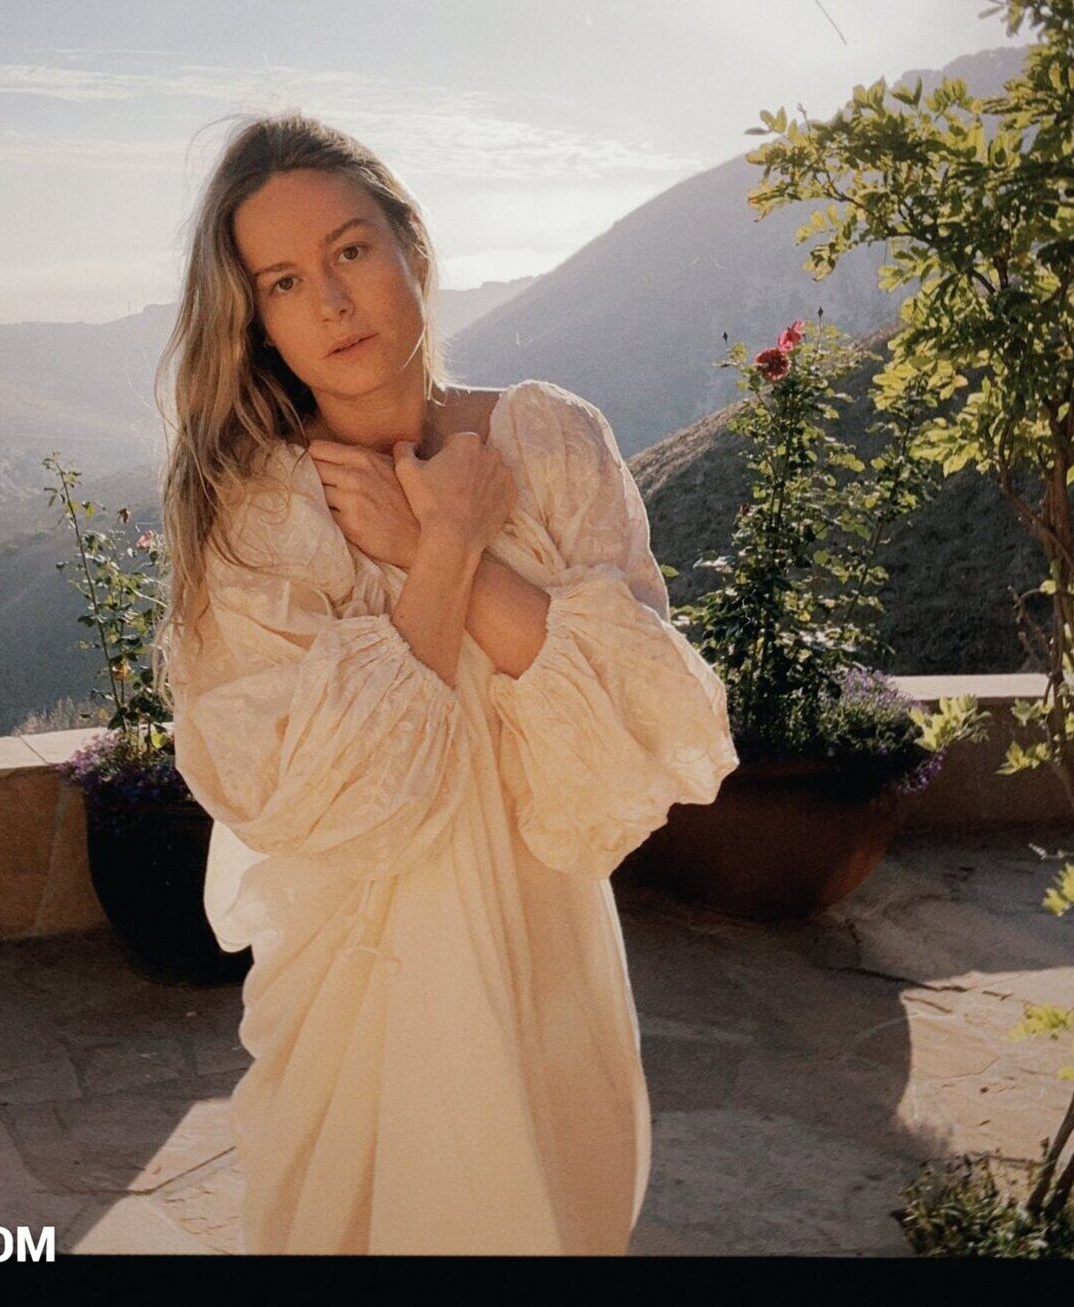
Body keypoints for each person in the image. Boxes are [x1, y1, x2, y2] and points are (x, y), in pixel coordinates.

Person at [152, 111, 739, 1255]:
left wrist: (449, 543)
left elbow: (644, 723)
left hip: (547, 963)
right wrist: (448, 549)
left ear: (410, 248)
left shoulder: (551, 441)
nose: (330, 301)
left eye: (349, 250)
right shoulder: (259, 511)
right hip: (358, 988)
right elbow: (308, 796)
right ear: (256, 322)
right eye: (282, 282)